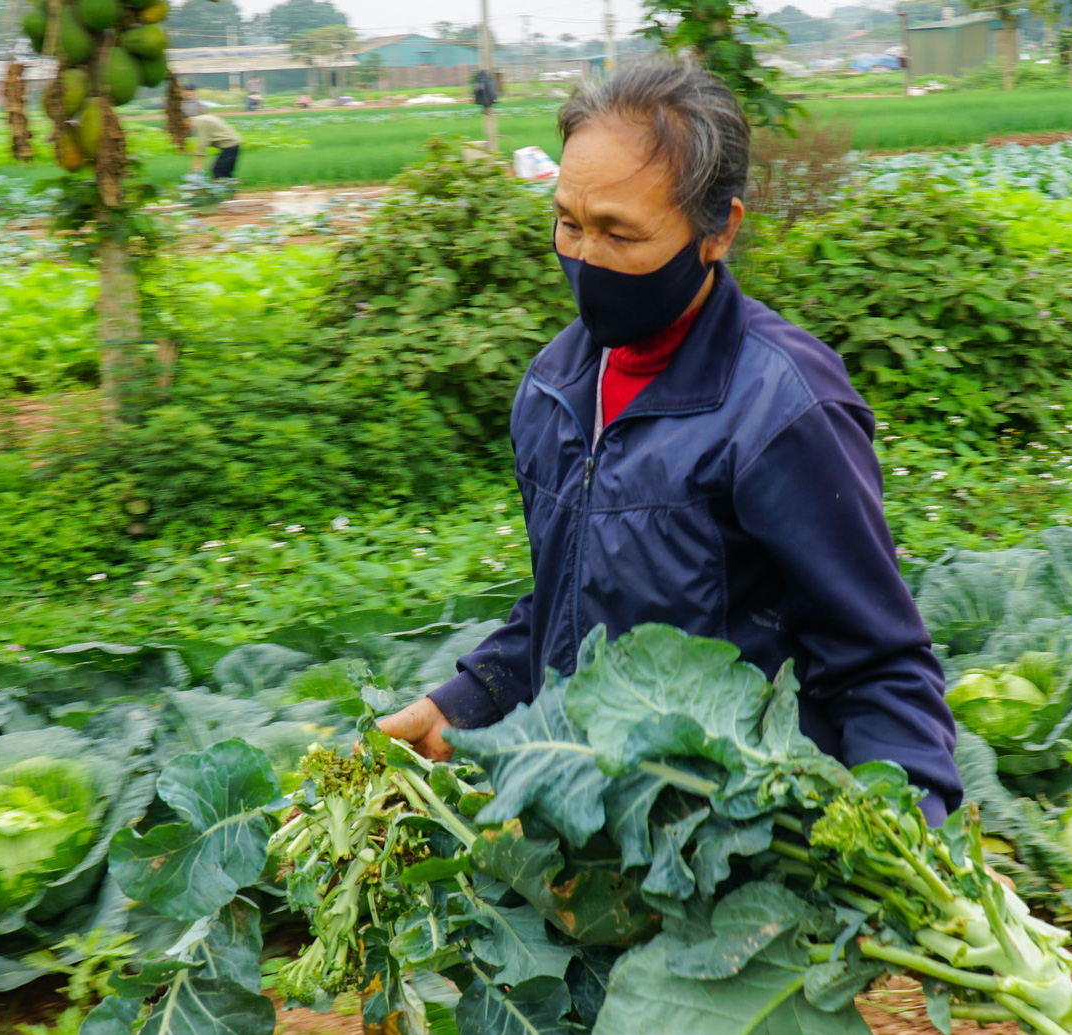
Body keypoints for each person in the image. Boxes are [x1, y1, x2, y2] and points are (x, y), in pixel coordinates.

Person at [378, 63, 964, 827]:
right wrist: (465, 700)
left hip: (747, 834)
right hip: (595, 828)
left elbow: (879, 661)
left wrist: (910, 843)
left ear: (718, 231)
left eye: (620, 232)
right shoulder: (554, 388)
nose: (585, 257)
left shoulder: (781, 406)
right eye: (568, 223)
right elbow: (569, 603)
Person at [187, 108, 242, 180]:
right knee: (224, 170)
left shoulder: (200, 123)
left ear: (186, 119)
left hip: (230, 145)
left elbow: (202, 143)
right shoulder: (201, 119)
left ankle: (222, 188)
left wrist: (196, 165)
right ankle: (229, 186)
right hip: (231, 144)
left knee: (218, 171)